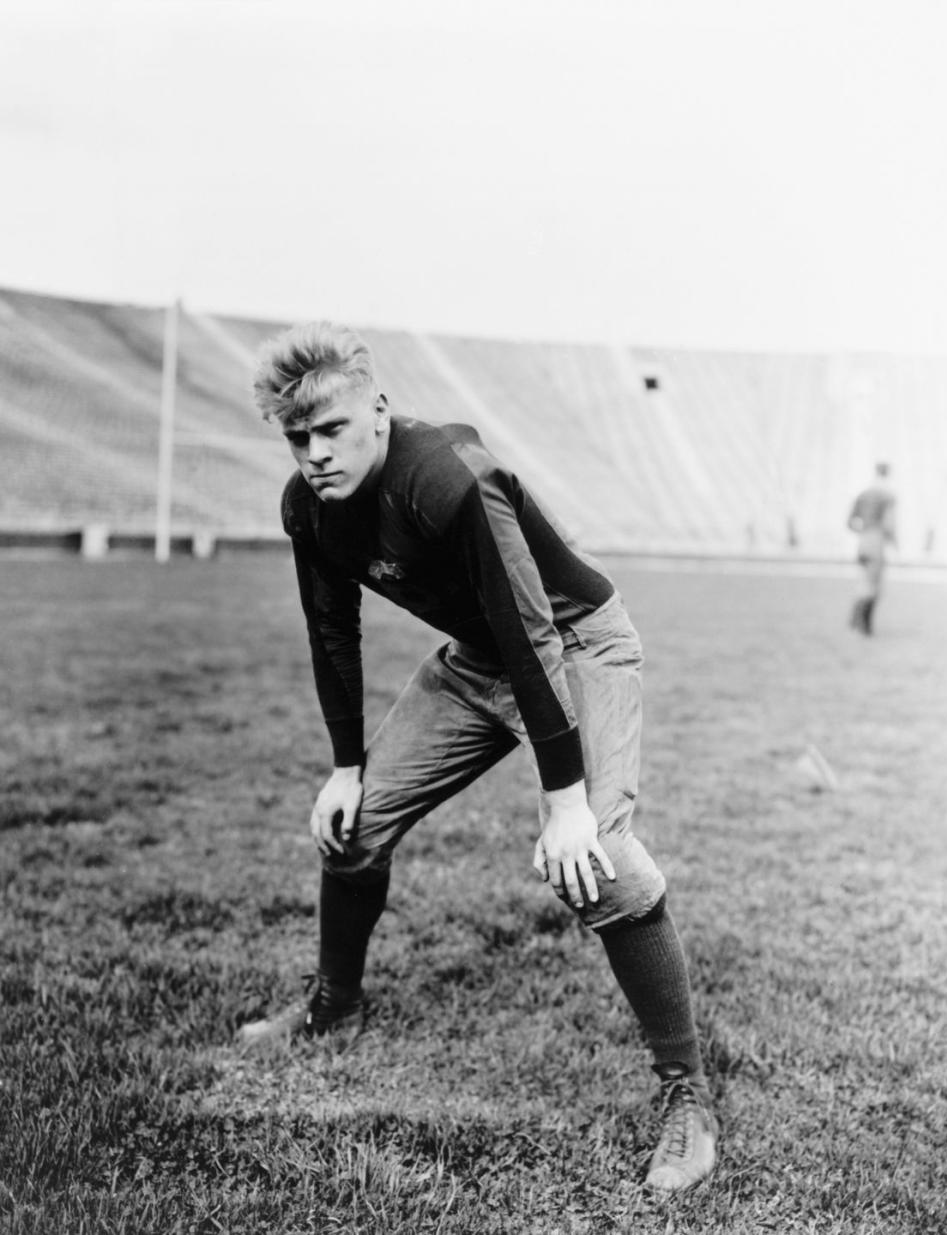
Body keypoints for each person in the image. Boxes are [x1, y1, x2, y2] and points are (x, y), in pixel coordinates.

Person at [239, 321, 718, 1193]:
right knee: (353, 826)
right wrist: (348, 765)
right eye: (297, 438)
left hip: (574, 645)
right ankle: (334, 1007)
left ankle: (687, 1094)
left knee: (602, 862)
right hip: (474, 661)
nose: (314, 453)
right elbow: (329, 631)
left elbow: (534, 629)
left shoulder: (448, 475)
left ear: (378, 410)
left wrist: (567, 800)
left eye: (332, 429)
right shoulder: (307, 505)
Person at [847, 462, 897, 635]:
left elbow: (850, 522)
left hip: (863, 541)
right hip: (877, 542)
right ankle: (864, 624)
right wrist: (894, 543)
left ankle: (855, 619)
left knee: (863, 581)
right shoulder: (887, 495)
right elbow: (889, 523)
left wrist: (863, 531)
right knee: (875, 586)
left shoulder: (863, 493)